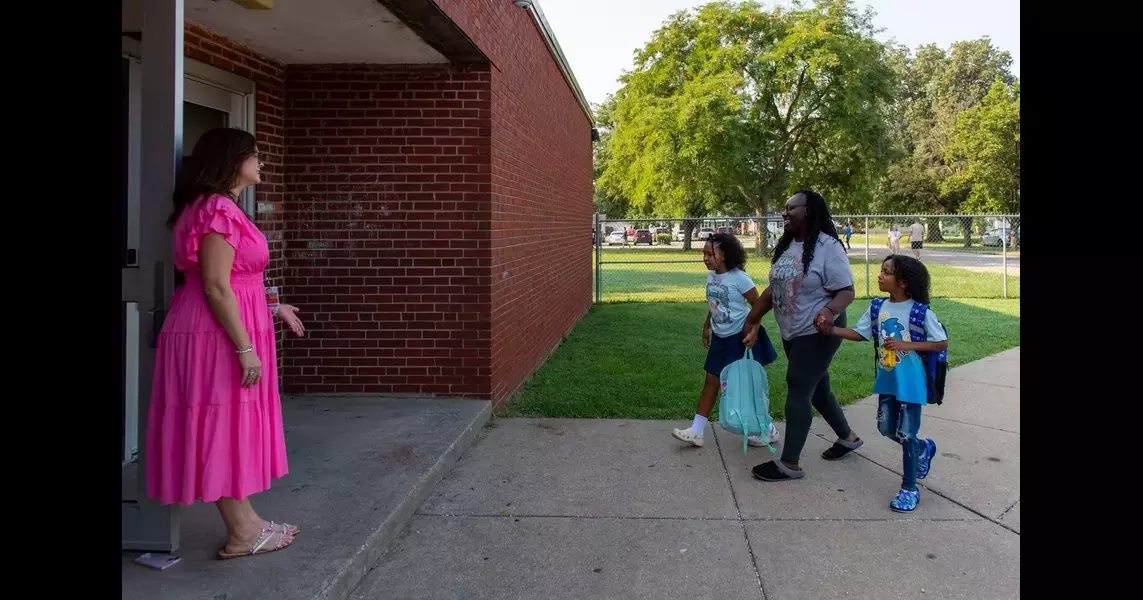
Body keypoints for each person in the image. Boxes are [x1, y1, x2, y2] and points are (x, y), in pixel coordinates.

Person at [147, 127, 307, 559]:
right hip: (215, 334)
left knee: (229, 422)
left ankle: (248, 521)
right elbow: (216, 287)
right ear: (232, 160)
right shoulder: (217, 209)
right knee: (221, 422)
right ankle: (241, 534)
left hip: (223, 324)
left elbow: (239, 279)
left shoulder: (219, 208)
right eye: (254, 154)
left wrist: (273, 308)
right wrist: (244, 347)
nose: (262, 162)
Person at [747, 190, 863, 482]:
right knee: (818, 389)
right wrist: (752, 319)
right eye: (784, 209)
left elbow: (846, 291)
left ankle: (789, 463)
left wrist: (827, 311)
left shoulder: (828, 247)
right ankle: (847, 437)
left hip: (818, 330)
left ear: (809, 211)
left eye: (791, 209)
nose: (784, 214)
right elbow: (773, 290)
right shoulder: (789, 247)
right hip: (793, 331)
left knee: (798, 385)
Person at [819, 255, 947, 512]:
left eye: (887, 272)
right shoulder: (878, 307)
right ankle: (924, 447)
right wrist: (831, 330)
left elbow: (940, 342)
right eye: (881, 271)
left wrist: (906, 344)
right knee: (886, 428)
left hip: (911, 383)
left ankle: (909, 489)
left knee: (907, 434)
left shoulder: (920, 312)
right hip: (888, 380)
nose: (880, 276)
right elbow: (861, 334)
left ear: (903, 282)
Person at [672, 233, 781, 448]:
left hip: (739, 339)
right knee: (711, 381)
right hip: (720, 338)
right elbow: (715, 305)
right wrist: (706, 326)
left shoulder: (740, 278)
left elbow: (758, 306)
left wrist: (754, 331)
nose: (705, 258)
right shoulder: (711, 276)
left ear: (724, 255)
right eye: (703, 253)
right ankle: (696, 431)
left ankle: (768, 429)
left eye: (709, 253)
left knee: (746, 387)